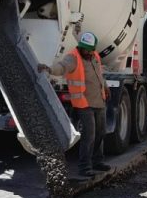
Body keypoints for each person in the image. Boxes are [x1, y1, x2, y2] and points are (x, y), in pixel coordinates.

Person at [38, 29, 110, 180]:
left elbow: (99, 75)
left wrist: (106, 87)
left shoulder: (95, 56)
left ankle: (97, 161)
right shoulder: (73, 57)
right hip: (84, 103)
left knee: (101, 132)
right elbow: (62, 67)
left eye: (89, 49)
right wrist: (49, 69)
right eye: (84, 48)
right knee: (89, 135)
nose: (86, 51)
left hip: (99, 101)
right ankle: (85, 167)